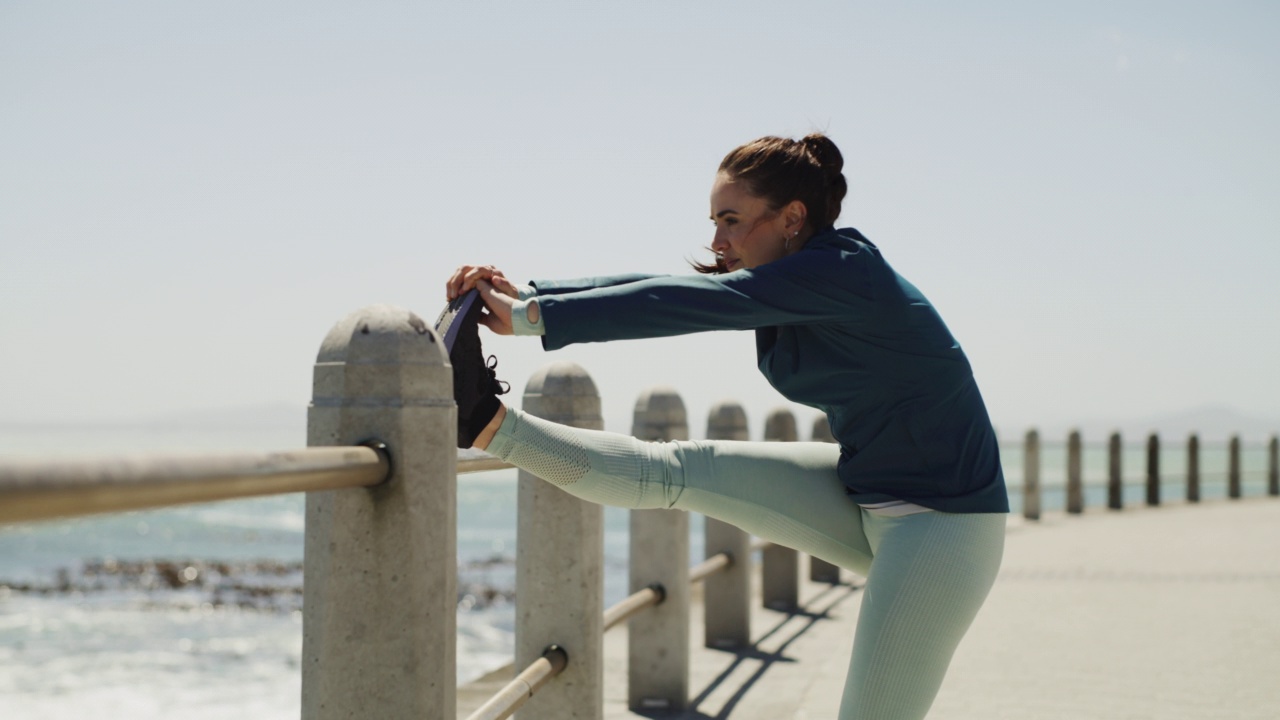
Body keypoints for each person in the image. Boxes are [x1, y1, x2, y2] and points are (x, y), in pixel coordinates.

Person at [441, 133, 1008, 720]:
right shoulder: (787, 283)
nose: (717, 241)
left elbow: (682, 302)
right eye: (714, 222)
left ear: (792, 217)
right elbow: (666, 287)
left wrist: (534, 318)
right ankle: (484, 420)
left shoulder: (843, 272)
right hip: (865, 494)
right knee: (675, 471)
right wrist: (530, 296)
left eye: (732, 221)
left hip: (942, 527)